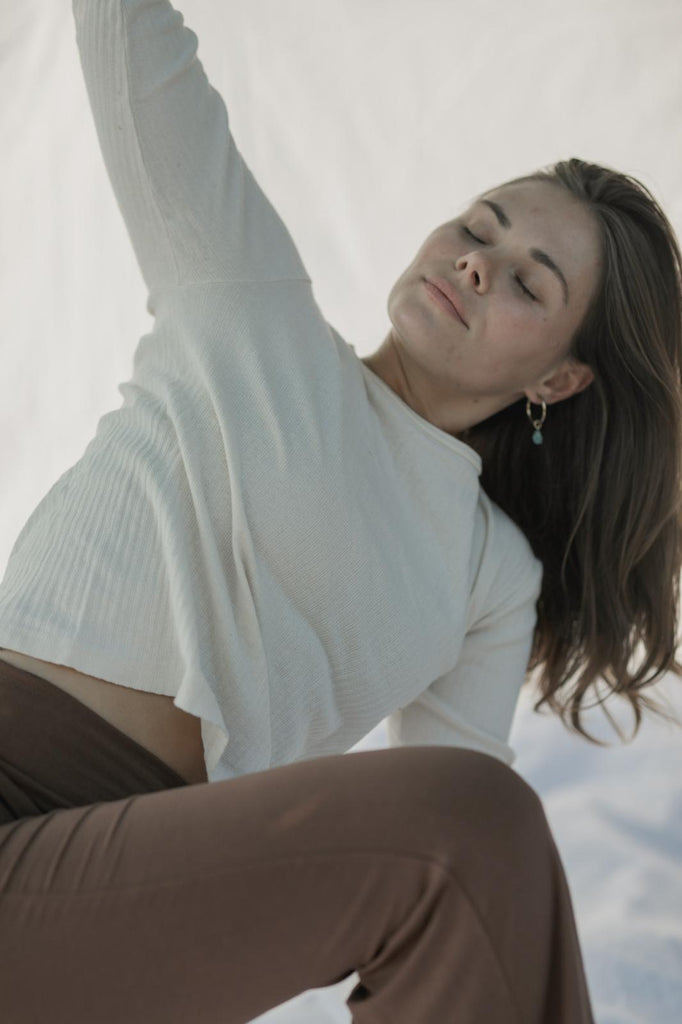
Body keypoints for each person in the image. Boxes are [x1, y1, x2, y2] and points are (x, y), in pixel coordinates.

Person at [1, 1, 681, 1021]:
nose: (475, 262)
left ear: (563, 379)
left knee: (474, 835)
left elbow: (478, 889)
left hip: (138, 898)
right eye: (477, 226)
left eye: (527, 285)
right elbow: (121, 31)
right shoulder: (247, 304)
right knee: (468, 830)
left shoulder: (489, 571)